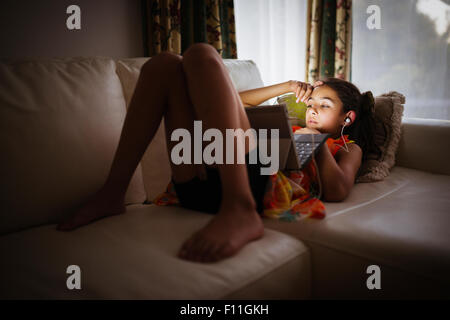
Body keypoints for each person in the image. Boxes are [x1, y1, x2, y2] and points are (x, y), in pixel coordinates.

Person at [57, 43, 378, 263]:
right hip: (197, 183)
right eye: (311, 104)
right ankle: (114, 191)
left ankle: (239, 208)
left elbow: (338, 189)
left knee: (200, 54)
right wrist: (285, 86)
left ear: (347, 118)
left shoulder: (348, 148)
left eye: (324, 106)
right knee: (165, 64)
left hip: (259, 192)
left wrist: (317, 144)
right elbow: (226, 97)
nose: (312, 110)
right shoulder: (290, 126)